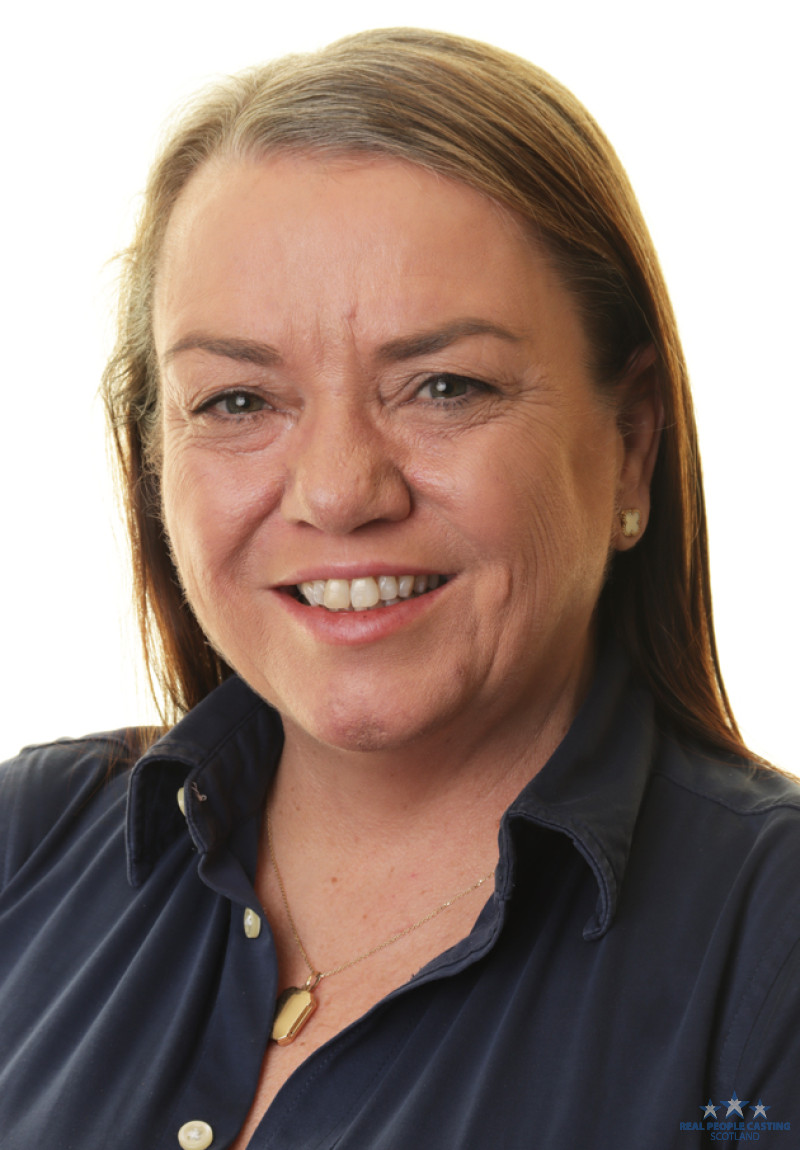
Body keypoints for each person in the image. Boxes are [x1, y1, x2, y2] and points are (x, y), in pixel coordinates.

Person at [1, 27, 798, 1150]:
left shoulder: (770, 947)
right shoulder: (26, 844)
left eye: (443, 386)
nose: (338, 492)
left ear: (628, 448)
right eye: (237, 401)